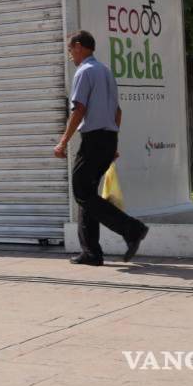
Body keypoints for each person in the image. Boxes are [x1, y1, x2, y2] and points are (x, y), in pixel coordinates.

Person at [54, 30, 149, 266]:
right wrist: (113, 142)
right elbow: (117, 111)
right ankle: (91, 252)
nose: (70, 56)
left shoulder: (84, 71)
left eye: (70, 51)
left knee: (81, 191)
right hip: (108, 138)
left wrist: (64, 140)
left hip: (94, 139)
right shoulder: (106, 71)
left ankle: (131, 229)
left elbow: (79, 109)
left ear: (78, 46)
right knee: (88, 195)